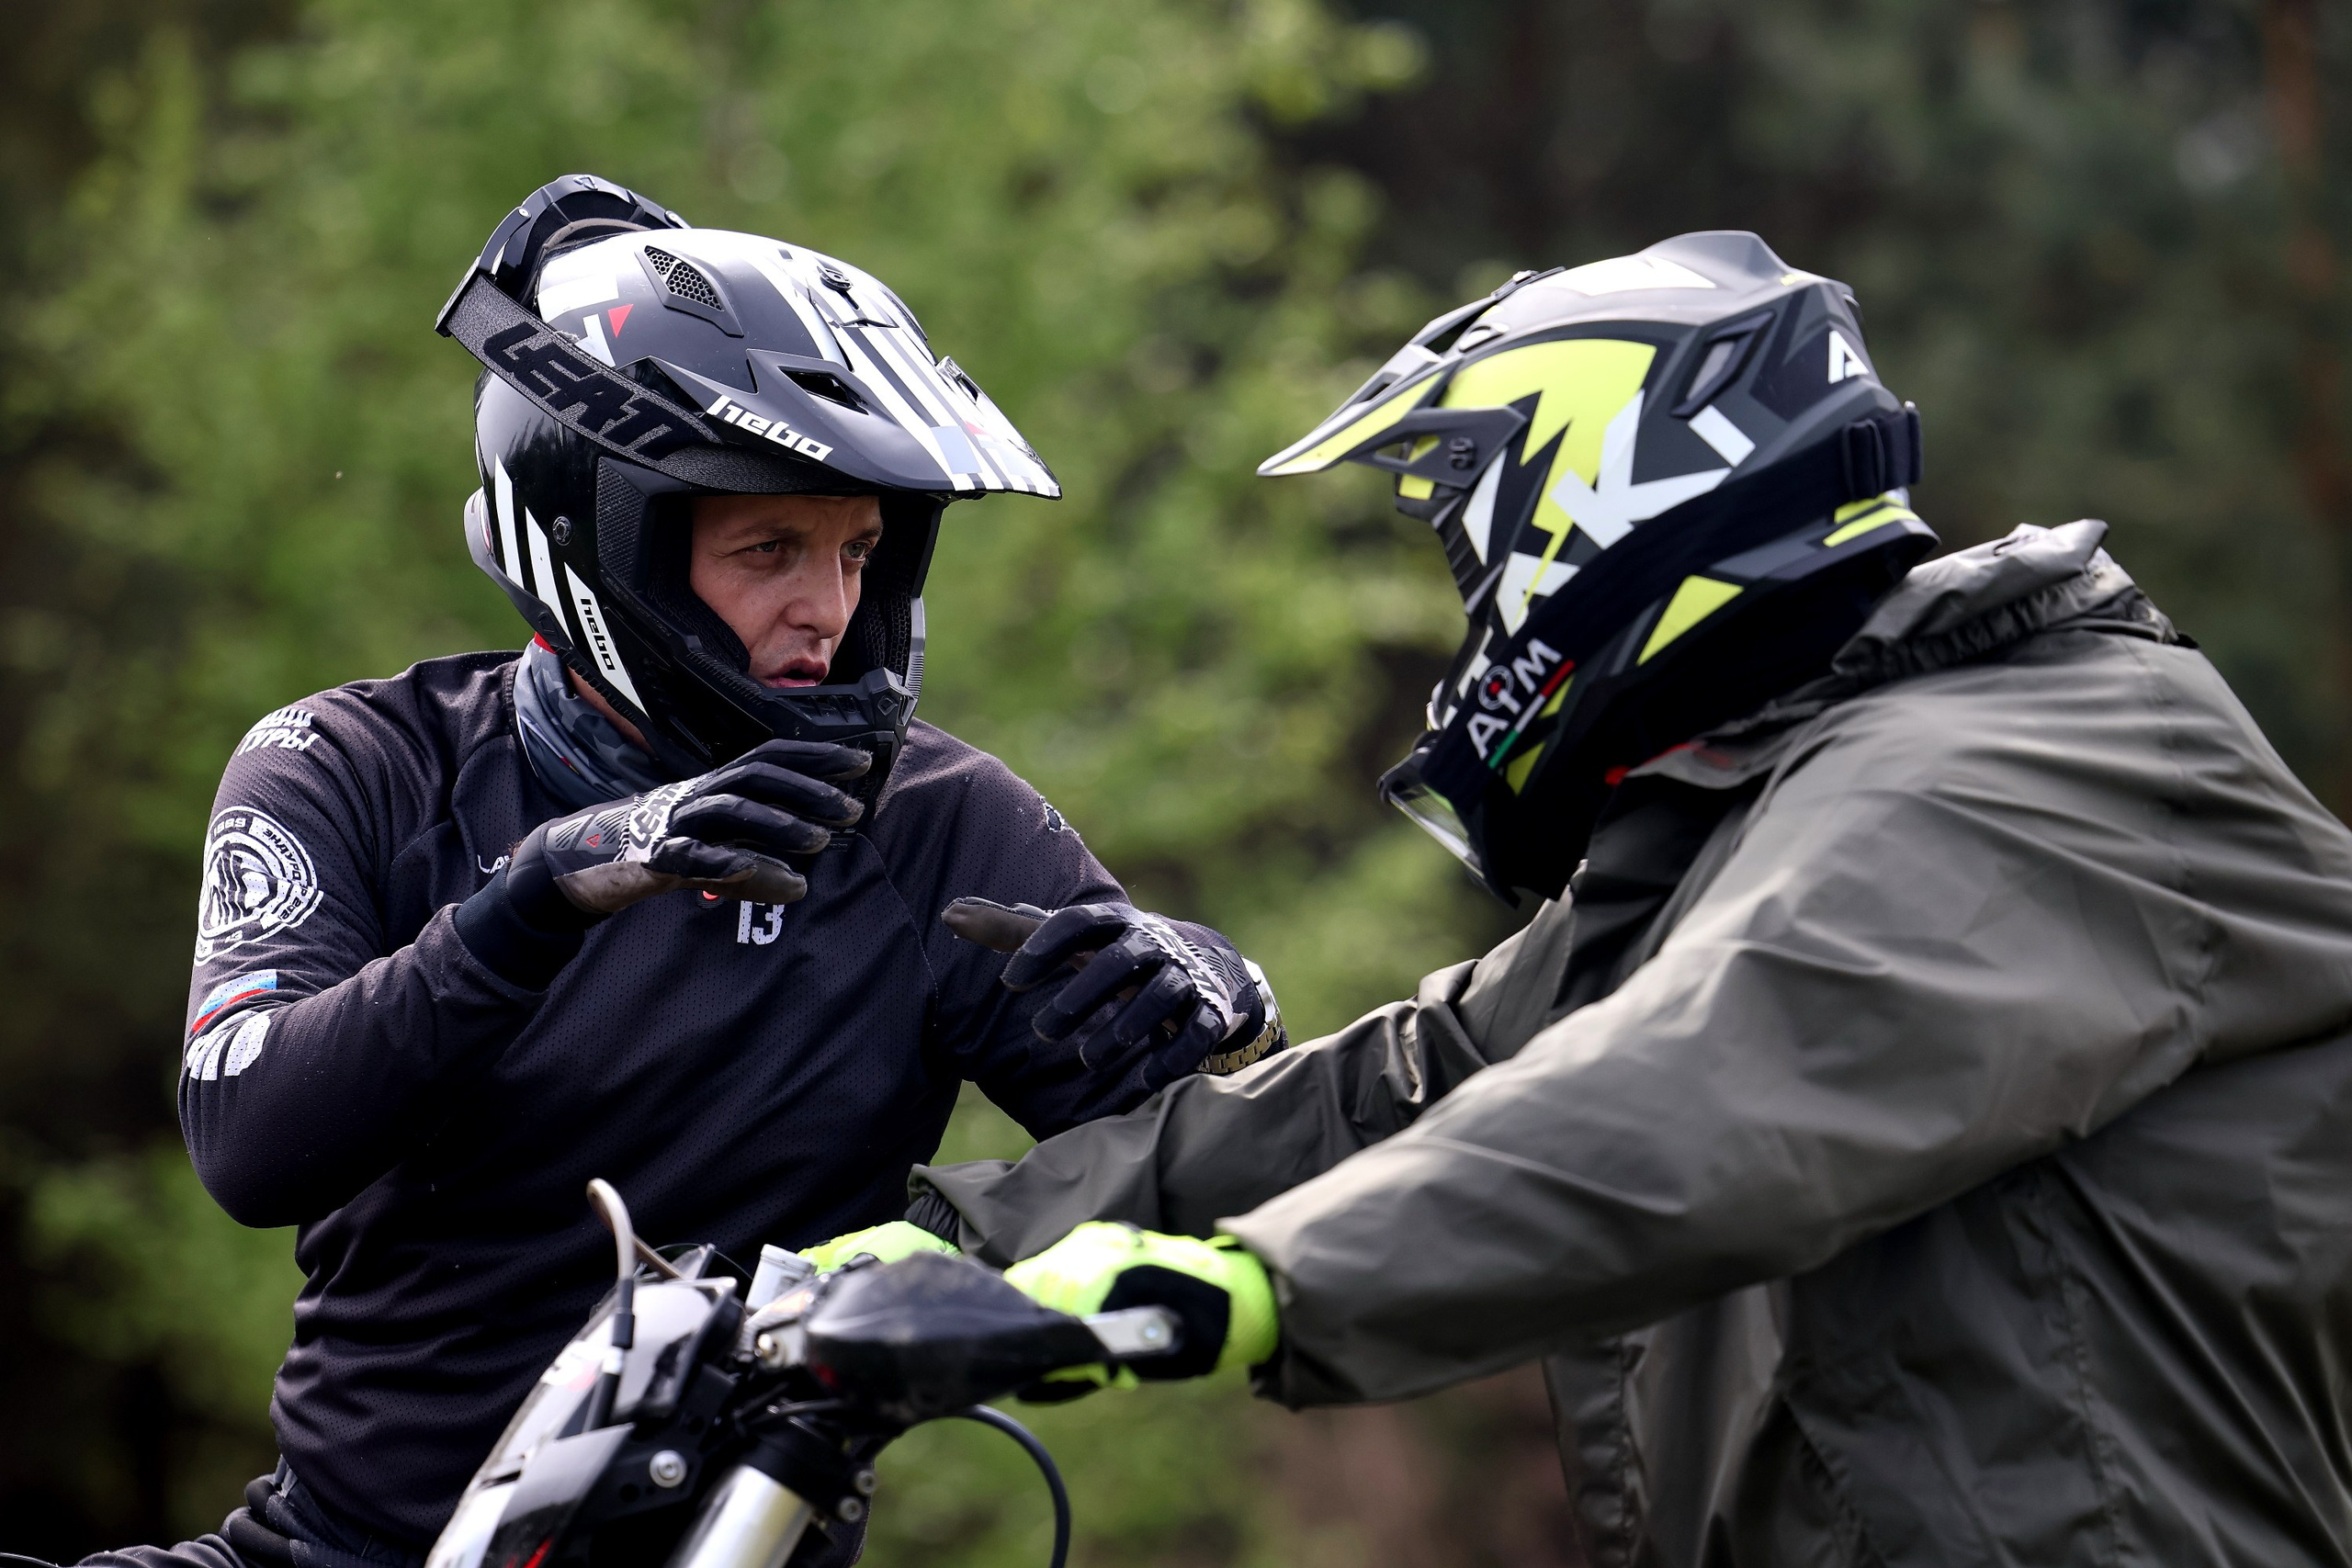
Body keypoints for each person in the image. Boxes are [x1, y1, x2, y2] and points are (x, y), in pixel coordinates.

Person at [840, 232, 2352, 1563]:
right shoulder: (1763, 815)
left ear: (1612, 498)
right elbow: (1409, 1087)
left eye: (1470, 543)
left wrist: (1232, 1289)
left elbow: (1708, 1093)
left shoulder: (2013, 776)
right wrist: (944, 1246)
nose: (1473, 614)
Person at [75, 175, 1285, 1568]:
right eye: (769, 547)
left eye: (858, 551)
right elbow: (251, 1141)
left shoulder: (934, 822)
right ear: (605, 534)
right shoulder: (354, 763)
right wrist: (544, 893)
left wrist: (1233, 1012)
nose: (828, 613)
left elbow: (1234, 1186)